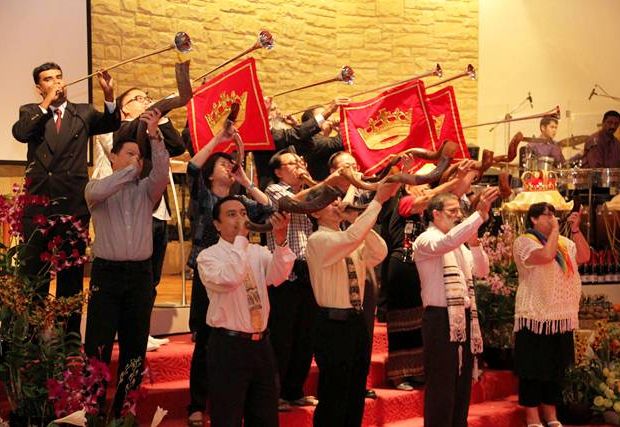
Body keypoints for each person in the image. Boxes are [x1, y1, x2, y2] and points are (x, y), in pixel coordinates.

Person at [12, 62, 120, 337]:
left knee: (70, 278)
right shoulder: (31, 112)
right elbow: (22, 133)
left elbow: (111, 122)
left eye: (59, 77)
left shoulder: (82, 112)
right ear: (39, 87)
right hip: (38, 206)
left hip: (73, 205)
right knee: (35, 276)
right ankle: (34, 339)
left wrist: (109, 96)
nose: (57, 82)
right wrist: (47, 102)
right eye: (49, 79)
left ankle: (68, 339)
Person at [186, 126, 273, 426]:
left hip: (241, 271)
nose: (228, 166)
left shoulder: (241, 203)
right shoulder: (203, 195)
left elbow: (269, 208)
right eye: (223, 164)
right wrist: (218, 141)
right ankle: (197, 403)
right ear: (211, 174)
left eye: (230, 163)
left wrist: (246, 182)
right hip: (208, 269)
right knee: (205, 336)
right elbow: (192, 166)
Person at [83, 109, 168, 416]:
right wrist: (129, 171)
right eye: (129, 153)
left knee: (134, 346)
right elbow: (104, 188)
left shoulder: (146, 191)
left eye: (139, 156)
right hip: (107, 275)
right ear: (114, 157)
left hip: (140, 277)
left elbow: (160, 174)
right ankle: (90, 409)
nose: (136, 160)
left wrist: (155, 137)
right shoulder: (97, 189)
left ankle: (124, 410)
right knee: (98, 344)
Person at [92, 87, 186, 351]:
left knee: (151, 278)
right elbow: (120, 153)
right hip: (119, 225)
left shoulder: (153, 129)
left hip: (154, 211)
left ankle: (140, 330)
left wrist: (162, 118)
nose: (145, 101)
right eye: (138, 99)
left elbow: (177, 147)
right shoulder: (113, 129)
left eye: (147, 97)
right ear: (124, 108)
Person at [196, 196, 295, 426]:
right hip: (228, 347)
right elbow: (231, 277)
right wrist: (241, 240)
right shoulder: (208, 257)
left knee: (265, 415)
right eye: (232, 215)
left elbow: (278, 276)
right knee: (227, 417)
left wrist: (280, 241)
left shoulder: (258, 252)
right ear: (217, 225)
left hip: (261, 345)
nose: (240, 219)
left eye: (243, 213)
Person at [306, 181, 397, 426]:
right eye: (329, 202)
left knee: (356, 390)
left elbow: (380, 252)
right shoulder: (318, 240)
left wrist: (357, 218)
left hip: (356, 321)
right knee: (334, 392)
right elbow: (351, 239)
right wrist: (376, 202)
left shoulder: (349, 237)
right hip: (332, 324)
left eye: (337, 200)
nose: (337, 204)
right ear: (315, 211)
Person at [412, 188, 499, 427]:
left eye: (460, 211)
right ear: (435, 214)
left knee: (461, 384)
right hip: (440, 318)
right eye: (452, 211)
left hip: (463, 316)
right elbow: (446, 242)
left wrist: (475, 243)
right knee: (442, 384)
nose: (458, 215)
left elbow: (482, 271)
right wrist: (478, 216)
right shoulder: (426, 240)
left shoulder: (459, 245)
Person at [513, 202, 589, 427]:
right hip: (535, 315)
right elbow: (546, 256)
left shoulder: (564, 243)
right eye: (547, 216)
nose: (552, 219)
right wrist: (556, 230)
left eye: (554, 215)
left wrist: (575, 230)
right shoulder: (524, 242)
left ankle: (551, 415)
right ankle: (532, 417)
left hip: (560, 315)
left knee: (555, 368)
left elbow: (584, 257)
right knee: (533, 369)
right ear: (534, 219)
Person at [265, 149, 318, 410]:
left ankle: (295, 390)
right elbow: (293, 204)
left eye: (299, 161)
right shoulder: (274, 190)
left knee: (304, 335)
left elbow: (322, 206)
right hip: (284, 270)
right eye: (292, 164)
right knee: (282, 336)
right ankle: (274, 394)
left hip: (308, 270)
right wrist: (309, 184)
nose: (298, 166)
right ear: (278, 171)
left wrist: (312, 182)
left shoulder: (309, 188)